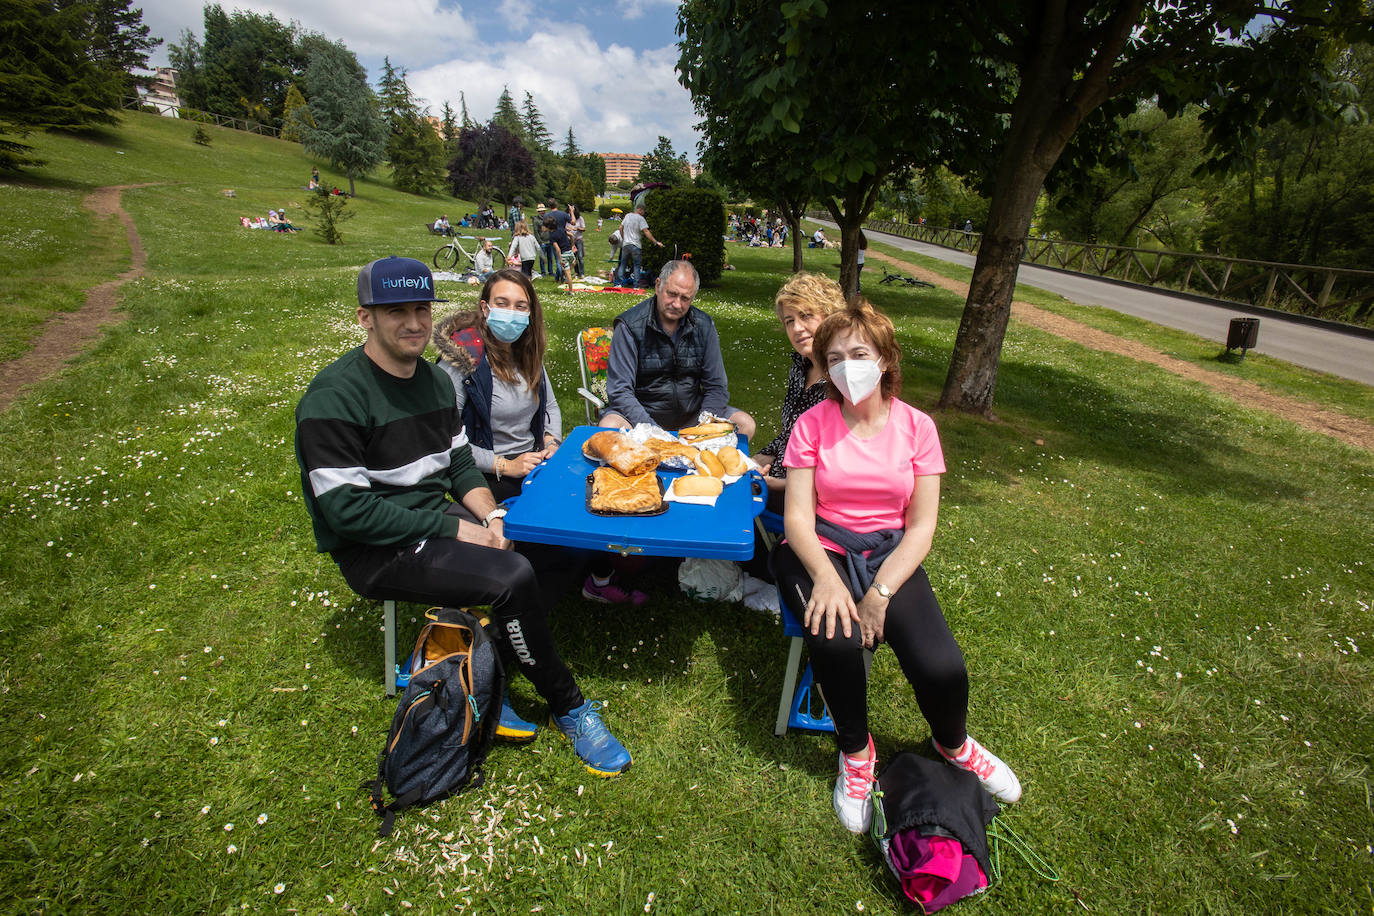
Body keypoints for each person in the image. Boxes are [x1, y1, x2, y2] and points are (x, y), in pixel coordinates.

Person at [294, 256, 632, 776]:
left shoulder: (430, 382)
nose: (413, 323)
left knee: (558, 544)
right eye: (396, 312)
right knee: (515, 574)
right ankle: (570, 707)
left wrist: (493, 516)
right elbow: (347, 513)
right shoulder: (334, 395)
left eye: (421, 309)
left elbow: (456, 465)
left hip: (432, 517)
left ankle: (484, 654)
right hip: (377, 549)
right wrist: (459, 527)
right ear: (366, 318)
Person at [769, 302, 1020, 833]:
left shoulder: (918, 428)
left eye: (859, 353)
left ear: (885, 360)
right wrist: (829, 580)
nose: (845, 366)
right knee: (834, 640)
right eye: (834, 357)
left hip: (888, 552)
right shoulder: (811, 425)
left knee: (941, 665)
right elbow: (796, 519)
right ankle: (856, 755)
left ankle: (953, 743)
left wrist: (879, 593)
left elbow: (921, 526)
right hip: (819, 546)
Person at [433, 269, 647, 606]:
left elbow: (550, 407)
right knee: (566, 536)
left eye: (521, 306)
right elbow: (446, 443)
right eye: (503, 303)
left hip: (535, 462)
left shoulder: (526, 353)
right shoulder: (464, 361)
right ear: (485, 308)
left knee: (594, 495)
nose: (512, 313)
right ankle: (522, 613)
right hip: (487, 476)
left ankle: (598, 577)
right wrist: (505, 464)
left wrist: (550, 442)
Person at [599, 260, 755, 438]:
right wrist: (653, 430)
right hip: (640, 417)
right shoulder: (629, 326)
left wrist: (702, 426)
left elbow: (717, 386)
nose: (677, 304)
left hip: (693, 416)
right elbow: (620, 391)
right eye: (672, 294)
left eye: (685, 298)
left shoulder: (704, 325)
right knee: (609, 425)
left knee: (745, 424)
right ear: (658, 286)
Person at [753, 272, 846, 511]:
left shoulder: (843, 382)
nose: (797, 328)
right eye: (789, 321)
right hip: (778, 477)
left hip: (812, 498)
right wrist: (763, 456)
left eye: (805, 316)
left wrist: (779, 484)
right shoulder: (801, 366)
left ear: (830, 316)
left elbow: (840, 466)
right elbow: (791, 433)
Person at [616, 203, 664, 287]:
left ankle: (619, 284)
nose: (644, 213)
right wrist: (655, 242)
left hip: (626, 244)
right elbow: (646, 231)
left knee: (623, 264)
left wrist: (624, 238)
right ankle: (636, 286)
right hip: (635, 245)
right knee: (637, 266)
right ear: (640, 210)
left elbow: (620, 228)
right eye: (644, 211)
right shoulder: (641, 219)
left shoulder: (627, 216)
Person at [568, 204, 586, 278]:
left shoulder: (580, 218)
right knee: (573, 257)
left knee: (580, 256)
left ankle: (582, 273)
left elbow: (584, 229)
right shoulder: (567, 218)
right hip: (570, 240)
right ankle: (576, 272)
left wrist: (577, 228)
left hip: (578, 239)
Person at [533, 205, 550, 278]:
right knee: (542, 258)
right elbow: (536, 232)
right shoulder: (536, 220)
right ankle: (543, 272)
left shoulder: (547, 219)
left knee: (550, 258)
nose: (543, 212)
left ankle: (550, 271)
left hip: (549, 241)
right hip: (542, 242)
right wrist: (540, 241)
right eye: (541, 211)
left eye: (544, 210)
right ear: (538, 212)